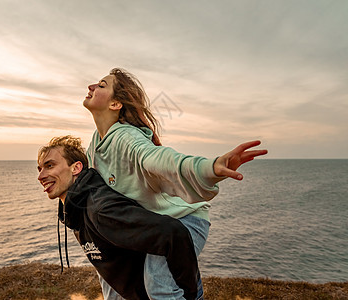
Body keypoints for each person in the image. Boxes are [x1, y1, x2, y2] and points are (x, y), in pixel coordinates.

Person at [83, 68, 268, 300]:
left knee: (159, 285)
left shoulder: (126, 137)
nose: (91, 86)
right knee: (115, 279)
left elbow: (162, 160)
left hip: (184, 222)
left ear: (115, 103)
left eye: (101, 85)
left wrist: (210, 168)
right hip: (152, 227)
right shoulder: (95, 144)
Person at [37, 135, 202, 300]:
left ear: (76, 168)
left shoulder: (102, 210)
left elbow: (172, 233)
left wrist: (190, 293)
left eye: (49, 166)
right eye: (40, 169)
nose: (40, 176)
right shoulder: (75, 210)